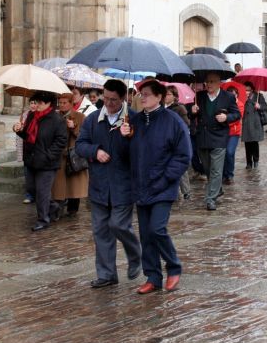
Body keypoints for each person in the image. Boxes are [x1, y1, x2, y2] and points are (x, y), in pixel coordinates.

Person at [120, 80, 190, 294]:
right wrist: (125, 137)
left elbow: (183, 154)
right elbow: (127, 155)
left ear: (159, 97)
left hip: (163, 185)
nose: (143, 98)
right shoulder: (135, 121)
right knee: (146, 234)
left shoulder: (173, 121)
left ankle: (174, 266)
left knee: (157, 229)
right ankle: (153, 276)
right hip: (141, 185)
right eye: (141, 94)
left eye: (147, 94)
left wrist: (167, 177)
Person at [75, 79, 142, 288]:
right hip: (99, 185)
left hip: (124, 184)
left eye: (114, 100)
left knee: (118, 224)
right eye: (106, 98)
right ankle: (106, 274)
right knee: (101, 231)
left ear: (123, 99)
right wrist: (95, 151)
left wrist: (129, 137)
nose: (109, 103)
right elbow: (80, 145)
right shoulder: (93, 119)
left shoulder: (134, 120)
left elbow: (141, 152)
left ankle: (135, 254)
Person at [14, 91, 68, 232]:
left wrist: (48, 155)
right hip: (31, 159)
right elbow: (27, 135)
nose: (36, 105)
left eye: (39, 102)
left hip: (47, 163)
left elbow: (61, 140)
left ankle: (43, 219)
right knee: (32, 189)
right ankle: (53, 206)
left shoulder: (57, 119)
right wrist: (18, 130)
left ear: (48, 104)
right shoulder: (32, 116)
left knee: (42, 192)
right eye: (35, 102)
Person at [189, 72, 240, 211]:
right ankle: (218, 189)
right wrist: (192, 111)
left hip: (219, 137)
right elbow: (191, 114)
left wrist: (226, 117)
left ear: (219, 83)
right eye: (207, 81)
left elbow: (237, 114)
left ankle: (210, 198)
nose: (209, 84)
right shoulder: (199, 96)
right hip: (203, 137)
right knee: (208, 168)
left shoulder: (228, 97)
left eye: (212, 82)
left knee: (217, 170)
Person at [51, 93, 88, 219]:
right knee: (58, 187)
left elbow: (85, 137)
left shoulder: (80, 117)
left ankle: (73, 209)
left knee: (74, 185)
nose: (61, 105)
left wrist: (73, 128)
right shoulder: (55, 116)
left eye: (64, 103)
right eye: (60, 103)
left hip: (74, 156)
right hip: (59, 156)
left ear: (71, 103)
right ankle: (57, 211)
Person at [164, 85, 192, 199]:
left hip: (176, 141)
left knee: (179, 166)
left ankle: (186, 191)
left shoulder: (180, 108)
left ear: (175, 96)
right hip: (164, 141)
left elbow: (186, 124)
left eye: (169, 94)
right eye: (165, 94)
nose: (166, 96)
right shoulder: (161, 108)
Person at [241, 81, 267, 169]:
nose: (246, 92)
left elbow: (265, 107)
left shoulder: (259, 96)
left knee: (254, 142)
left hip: (256, 122)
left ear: (252, 90)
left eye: (248, 90)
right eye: (245, 90)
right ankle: (249, 162)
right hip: (246, 123)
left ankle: (256, 160)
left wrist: (259, 106)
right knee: (247, 143)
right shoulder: (242, 97)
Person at [222, 84, 244, 185]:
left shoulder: (240, 104)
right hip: (223, 132)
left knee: (230, 152)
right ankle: (224, 174)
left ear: (237, 95)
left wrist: (225, 119)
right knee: (223, 153)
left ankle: (229, 174)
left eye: (234, 94)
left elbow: (237, 118)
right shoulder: (223, 104)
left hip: (234, 132)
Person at [18, 99, 38, 204]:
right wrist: (18, 127)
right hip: (27, 148)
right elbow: (22, 133)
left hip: (37, 149)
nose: (33, 105)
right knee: (28, 174)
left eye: (35, 103)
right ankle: (29, 194)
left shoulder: (40, 116)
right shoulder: (25, 115)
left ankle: (37, 194)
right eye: (31, 103)